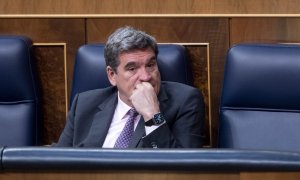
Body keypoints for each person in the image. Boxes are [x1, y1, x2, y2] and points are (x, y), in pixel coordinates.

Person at [55, 26, 205, 148]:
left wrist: (153, 116)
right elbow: (58, 162)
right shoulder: (84, 104)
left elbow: (182, 168)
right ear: (112, 75)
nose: (146, 77)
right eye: (132, 69)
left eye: (151, 65)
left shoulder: (185, 101)